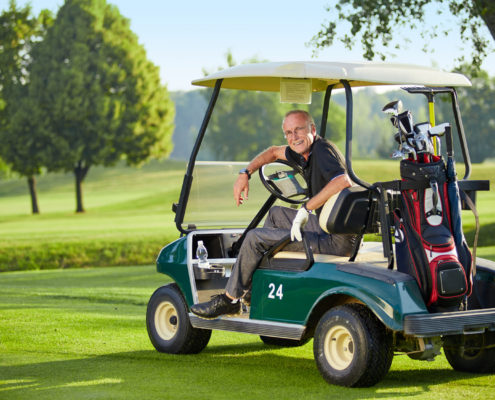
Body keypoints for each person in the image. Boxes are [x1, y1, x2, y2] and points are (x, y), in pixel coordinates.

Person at [191, 110, 357, 318]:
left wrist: (307, 208)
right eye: (288, 132)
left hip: (336, 240)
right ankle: (252, 290)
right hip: (328, 226)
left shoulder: (322, 150)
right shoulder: (304, 152)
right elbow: (272, 153)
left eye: (298, 130)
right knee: (276, 214)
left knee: (253, 238)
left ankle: (230, 299)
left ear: (312, 129)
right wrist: (245, 173)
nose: (293, 137)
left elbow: (343, 180)